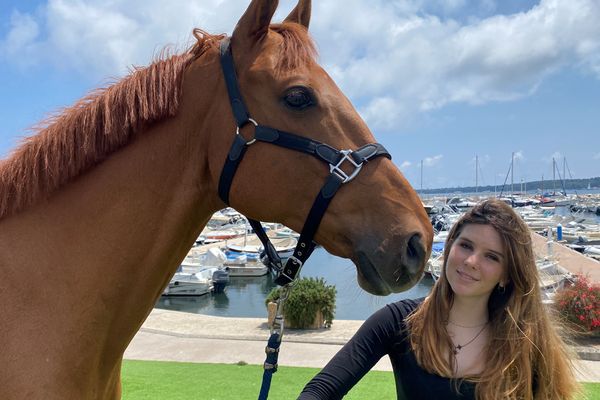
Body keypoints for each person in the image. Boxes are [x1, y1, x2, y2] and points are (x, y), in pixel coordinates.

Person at [298, 199, 579, 399]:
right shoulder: (399, 322)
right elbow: (320, 390)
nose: (470, 261)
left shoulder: (525, 341)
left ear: (506, 274)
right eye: (465, 245)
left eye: (491, 257)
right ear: (450, 248)